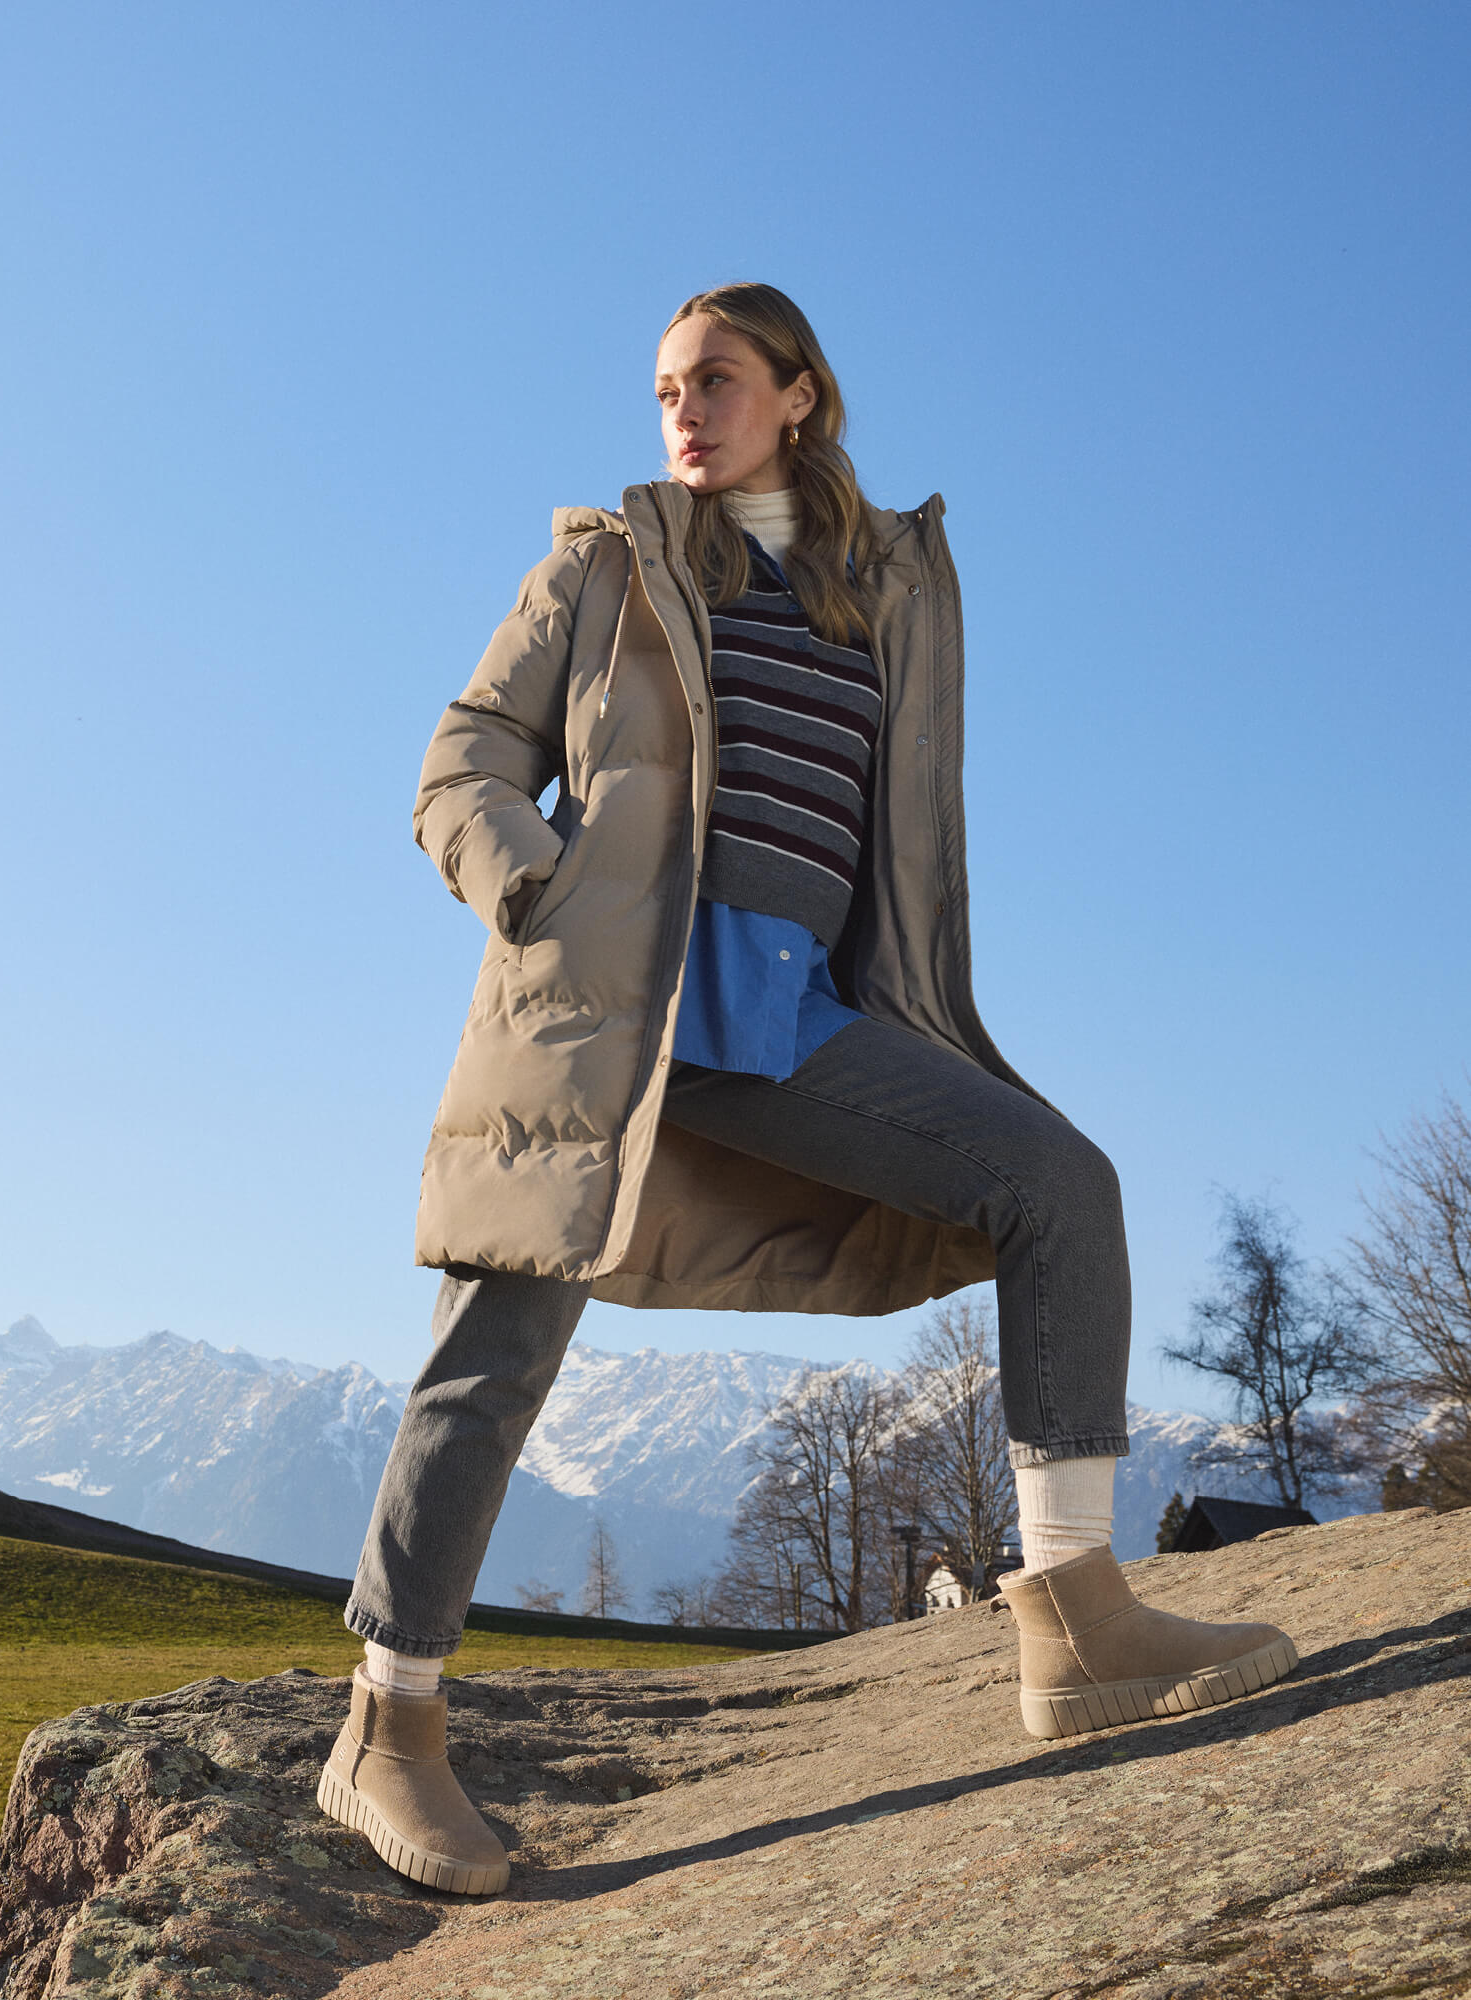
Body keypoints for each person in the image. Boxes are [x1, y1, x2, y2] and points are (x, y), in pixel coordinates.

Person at [316, 283, 1298, 1896]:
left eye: (712, 380)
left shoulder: (885, 592)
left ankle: (1076, 1622)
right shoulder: (607, 564)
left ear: (799, 396)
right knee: (490, 1363)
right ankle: (390, 1730)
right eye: (661, 390)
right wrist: (529, 883)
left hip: (797, 1022)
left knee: (1063, 1187)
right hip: (602, 1011)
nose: (681, 413)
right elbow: (462, 757)